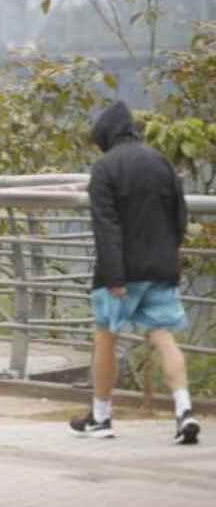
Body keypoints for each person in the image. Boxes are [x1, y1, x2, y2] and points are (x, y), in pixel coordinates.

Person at [70, 101, 201, 444]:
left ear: (106, 136)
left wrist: (114, 276)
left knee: (106, 337)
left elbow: (107, 226)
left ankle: (101, 417)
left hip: (121, 272)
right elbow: (180, 215)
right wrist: (169, 256)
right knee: (163, 335)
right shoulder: (161, 161)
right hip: (161, 266)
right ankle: (184, 410)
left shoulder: (105, 168)